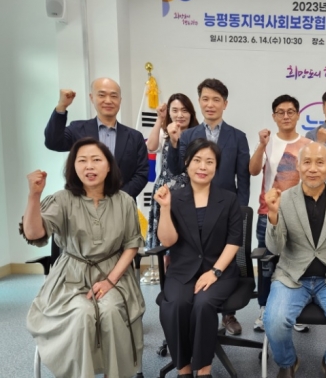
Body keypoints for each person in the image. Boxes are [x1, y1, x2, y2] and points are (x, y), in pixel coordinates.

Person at [22, 138, 145, 378]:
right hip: (70, 277)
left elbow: (132, 245)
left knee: (111, 311)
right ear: (73, 167)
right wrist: (34, 196)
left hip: (114, 275)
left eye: (96, 160)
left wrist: (109, 281)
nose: (89, 166)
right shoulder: (62, 199)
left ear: (108, 166)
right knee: (81, 313)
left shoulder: (125, 201)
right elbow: (34, 233)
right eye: (82, 161)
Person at [263, 142, 326, 378]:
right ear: (298, 166)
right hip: (291, 277)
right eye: (307, 162)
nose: (313, 168)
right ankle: (288, 361)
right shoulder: (284, 199)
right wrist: (273, 215)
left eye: (320, 162)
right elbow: (274, 248)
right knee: (274, 321)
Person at [166, 78, 249, 335]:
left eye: (216, 99)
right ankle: (193, 317)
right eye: (205, 99)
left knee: (223, 262)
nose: (210, 104)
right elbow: (176, 170)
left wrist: (239, 213)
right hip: (194, 210)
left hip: (225, 212)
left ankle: (228, 315)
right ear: (199, 102)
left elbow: (243, 179)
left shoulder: (238, 137)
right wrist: (173, 143)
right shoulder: (188, 135)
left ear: (225, 104)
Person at [155, 139, 243, 378]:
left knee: (203, 304)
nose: (203, 166)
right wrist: (165, 208)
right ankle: (183, 369)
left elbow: (234, 241)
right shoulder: (174, 197)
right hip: (182, 270)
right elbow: (168, 241)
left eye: (209, 162)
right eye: (197, 160)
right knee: (175, 305)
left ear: (216, 167)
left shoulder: (228, 199)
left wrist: (214, 272)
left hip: (219, 271)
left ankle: (204, 370)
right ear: (187, 163)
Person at [249, 94, 312, 333]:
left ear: (298, 115)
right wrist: (261, 145)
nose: (286, 116)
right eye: (280, 112)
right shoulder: (268, 142)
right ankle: (264, 309)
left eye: (290, 111)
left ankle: (295, 311)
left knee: (297, 262)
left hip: (299, 214)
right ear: (274, 116)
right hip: (268, 213)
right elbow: (253, 170)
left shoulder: (307, 144)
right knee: (267, 264)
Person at [44, 77, 149, 198]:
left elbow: (142, 173)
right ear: (91, 98)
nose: (108, 101)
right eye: (102, 95)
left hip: (122, 204)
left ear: (120, 100)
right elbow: (53, 142)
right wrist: (62, 106)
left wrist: (119, 199)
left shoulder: (135, 137)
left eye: (114, 96)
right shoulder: (77, 129)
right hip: (83, 202)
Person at [146, 93, 200, 252]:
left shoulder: (197, 135)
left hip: (189, 194)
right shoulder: (164, 134)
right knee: (165, 242)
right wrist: (160, 119)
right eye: (175, 110)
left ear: (191, 113)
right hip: (165, 193)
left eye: (184, 110)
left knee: (185, 242)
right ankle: (165, 267)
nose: (180, 115)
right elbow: (151, 146)